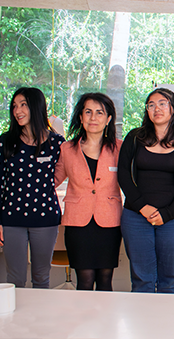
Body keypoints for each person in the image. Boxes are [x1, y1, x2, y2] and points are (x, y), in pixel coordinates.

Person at [117, 87, 174, 293]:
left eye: (162, 104)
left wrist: (167, 213)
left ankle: (166, 325)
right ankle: (142, 325)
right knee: (141, 279)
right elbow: (123, 174)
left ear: (173, 108)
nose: (157, 109)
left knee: (170, 279)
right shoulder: (134, 137)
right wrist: (141, 207)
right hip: (136, 217)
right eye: (151, 105)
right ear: (147, 111)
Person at [0, 87, 65, 288]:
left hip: (45, 218)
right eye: (14, 106)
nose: (17, 110)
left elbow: (63, 172)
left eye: (23, 104)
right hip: (12, 219)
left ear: (36, 106)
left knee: (41, 277)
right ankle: (14, 321)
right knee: (15, 279)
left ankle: (39, 320)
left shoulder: (56, 142)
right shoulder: (6, 141)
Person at [54, 93, 122, 291]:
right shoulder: (66, 149)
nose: (93, 118)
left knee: (105, 279)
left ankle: (105, 322)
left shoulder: (120, 148)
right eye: (88, 112)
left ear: (108, 119)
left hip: (109, 221)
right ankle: (85, 322)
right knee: (84, 280)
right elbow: (53, 181)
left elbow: (133, 181)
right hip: (78, 223)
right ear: (81, 117)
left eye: (99, 113)